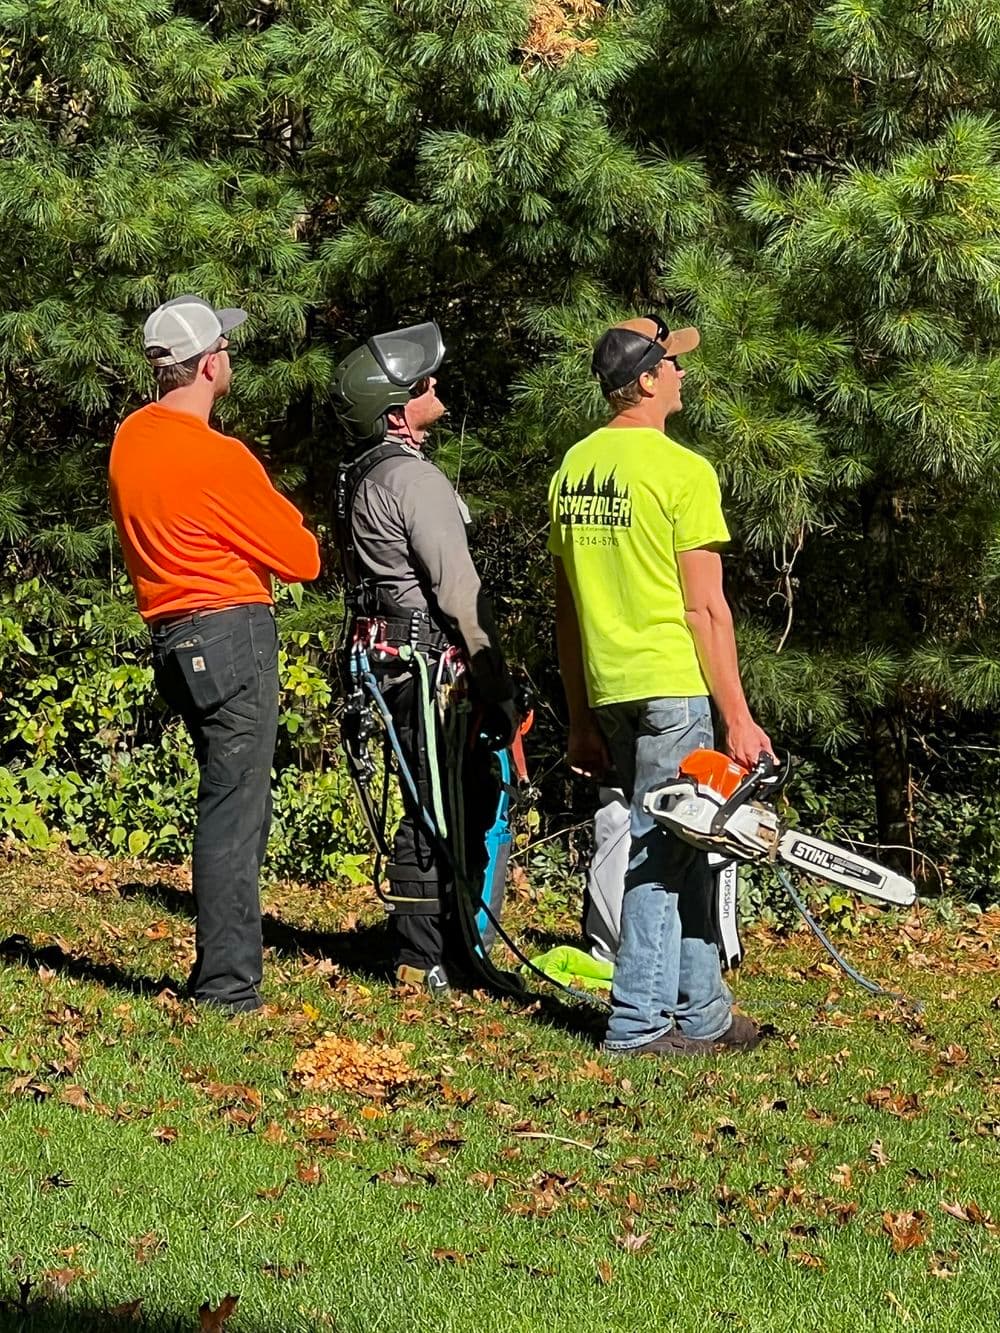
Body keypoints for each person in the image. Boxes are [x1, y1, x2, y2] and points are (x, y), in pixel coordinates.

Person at [548, 315, 772, 1056]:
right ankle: (638, 1022)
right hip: (672, 686)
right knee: (659, 848)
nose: (682, 374)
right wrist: (736, 716)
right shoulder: (682, 471)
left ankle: (702, 1011)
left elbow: (568, 610)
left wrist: (580, 716)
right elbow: (705, 606)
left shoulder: (573, 469)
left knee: (685, 846)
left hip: (610, 686)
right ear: (645, 380)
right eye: (672, 364)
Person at [109, 295, 320, 1014]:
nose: (229, 355)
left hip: (172, 637)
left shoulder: (131, 439)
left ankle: (226, 974)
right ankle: (228, 986)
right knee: (235, 813)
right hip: (232, 634)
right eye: (223, 346)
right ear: (208, 364)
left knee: (224, 802)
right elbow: (301, 555)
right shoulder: (219, 457)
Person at [331, 322, 517, 997]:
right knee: (436, 802)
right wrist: (495, 680)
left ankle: (439, 946)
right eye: (423, 385)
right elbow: (458, 590)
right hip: (427, 660)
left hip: (387, 657)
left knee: (432, 796)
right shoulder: (413, 479)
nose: (435, 387)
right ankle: (425, 954)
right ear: (394, 411)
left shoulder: (360, 474)